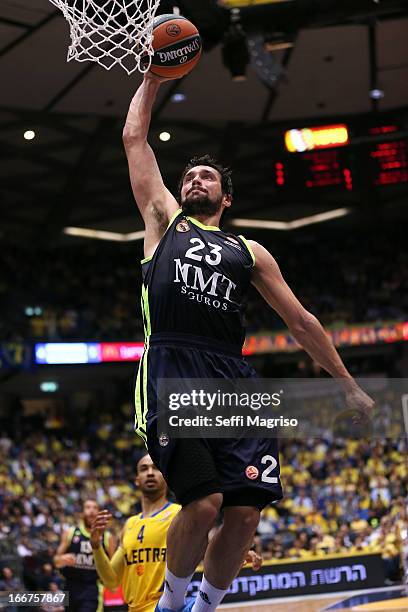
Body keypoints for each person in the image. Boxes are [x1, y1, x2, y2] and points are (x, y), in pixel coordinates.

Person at [122, 73, 374, 612]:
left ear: (225, 196)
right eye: (188, 176)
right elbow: (134, 140)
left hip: (234, 379)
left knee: (244, 512)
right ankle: (171, 605)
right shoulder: (163, 222)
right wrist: (153, 75)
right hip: (174, 367)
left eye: (206, 177)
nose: (194, 181)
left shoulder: (250, 251)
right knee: (206, 501)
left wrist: (349, 386)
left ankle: (206, 606)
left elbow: (302, 322)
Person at [90, 454, 261, 612]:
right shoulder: (129, 525)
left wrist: (236, 552)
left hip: (165, 605)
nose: (150, 473)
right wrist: (96, 546)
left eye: (156, 468)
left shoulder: (179, 514)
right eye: (144, 469)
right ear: (136, 480)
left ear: (166, 475)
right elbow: (111, 581)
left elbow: (210, 548)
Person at [54, 499, 115, 612]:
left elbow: (113, 568)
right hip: (70, 587)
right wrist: (61, 559)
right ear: (82, 512)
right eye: (88, 507)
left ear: (99, 513)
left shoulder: (107, 537)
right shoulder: (71, 532)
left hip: (92, 589)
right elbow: (56, 560)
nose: (91, 511)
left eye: (94, 507)